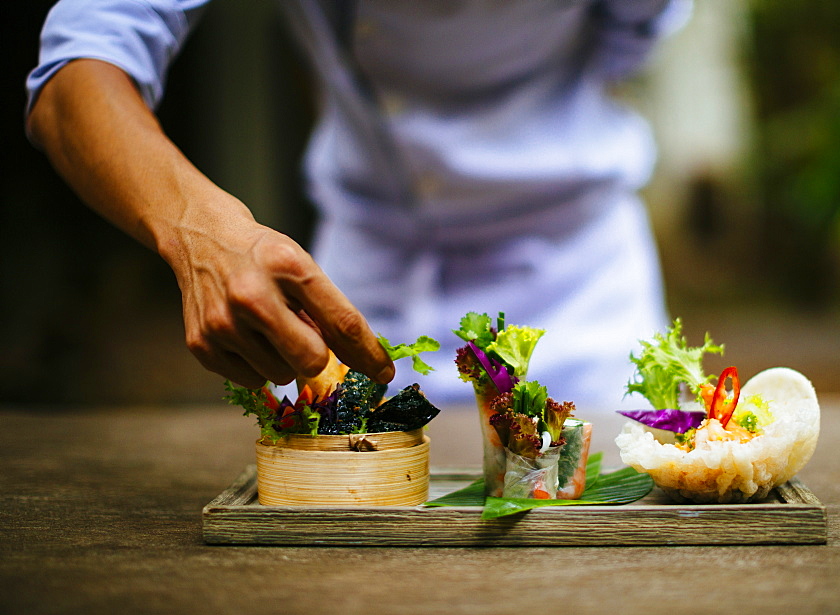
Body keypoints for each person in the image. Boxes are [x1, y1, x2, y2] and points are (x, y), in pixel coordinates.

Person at [26, 0, 687, 406]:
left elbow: (627, 42)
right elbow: (74, 76)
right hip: (359, 290)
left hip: (579, 290)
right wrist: (196, 227)